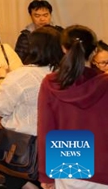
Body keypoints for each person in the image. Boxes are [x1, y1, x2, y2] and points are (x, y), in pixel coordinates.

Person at [0, 26, 63, 189]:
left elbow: (1, 107)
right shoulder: (68, 74)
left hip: (24, 150)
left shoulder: (21, 76)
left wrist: (1, 78)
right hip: (62, 147)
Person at [37, 26, 108, 189]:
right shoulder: (104, 83)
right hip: (103, 161)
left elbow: (46, 129)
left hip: (68, 157)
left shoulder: (51, 83)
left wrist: (45, 175)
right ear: (94, 51)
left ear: (63, 48)